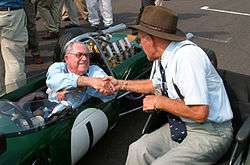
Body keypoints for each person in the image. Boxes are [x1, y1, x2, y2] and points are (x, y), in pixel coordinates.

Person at [107, 6, 233, 164]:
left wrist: (159, 102)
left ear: (150, 39)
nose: (139, 45)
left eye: (140, 39)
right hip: (185, 125)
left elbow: (200, 113)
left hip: (212, 132)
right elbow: (156, 84)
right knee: (138, 149)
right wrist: (120, 84)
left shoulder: (187, 58)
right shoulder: (165, 56)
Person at [46, 41, 115, 109]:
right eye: (79, 55)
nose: (84, 59)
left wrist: (83, 87)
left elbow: (111, 93)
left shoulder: (94, 70)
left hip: (78, 114)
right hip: (49, 107)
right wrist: (86, 82)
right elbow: (53, 81)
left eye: (87, 55)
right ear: (66, 58)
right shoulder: (57, 67)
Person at [0, 0, 28, 96]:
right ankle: (15, 100)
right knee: (14, 62)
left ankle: (3, 99)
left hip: (9, 11)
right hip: (10, 11)